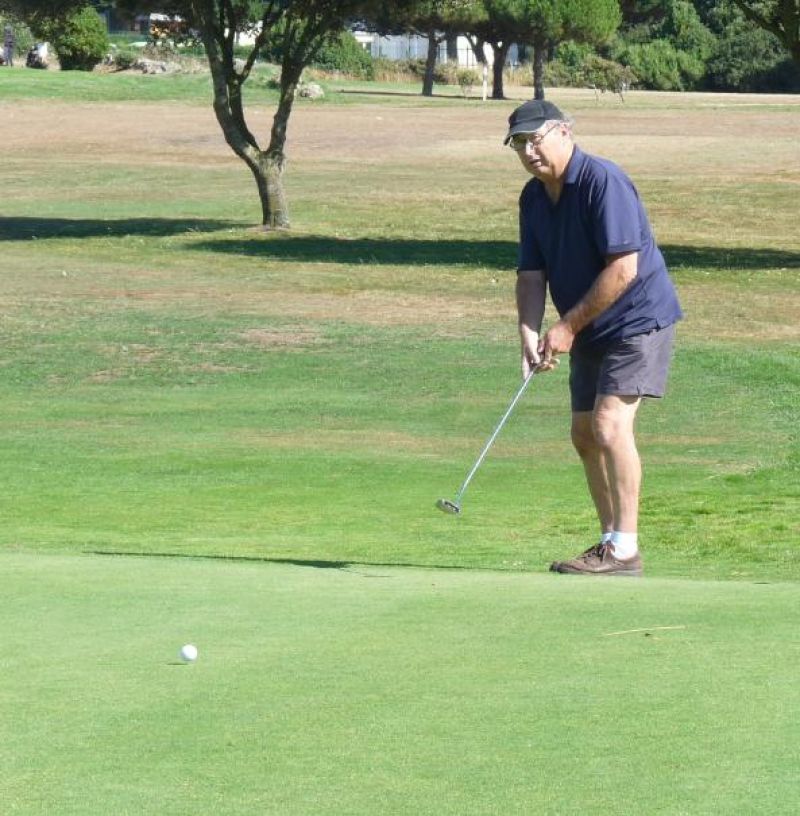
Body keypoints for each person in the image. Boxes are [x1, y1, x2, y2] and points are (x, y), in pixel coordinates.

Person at [506, 99, 682, 577]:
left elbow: (624, 269)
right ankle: (609, 542)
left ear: (564, 132)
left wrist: (565, 327)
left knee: (608, 426)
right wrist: (528, 332)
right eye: (519, 144)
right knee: (584, 434)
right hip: (589, 325)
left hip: (636, 319)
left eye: (535, 139)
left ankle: (625, 547)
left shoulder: (603, 181)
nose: (528, 151)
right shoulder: (533, 197)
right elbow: (531, 273)